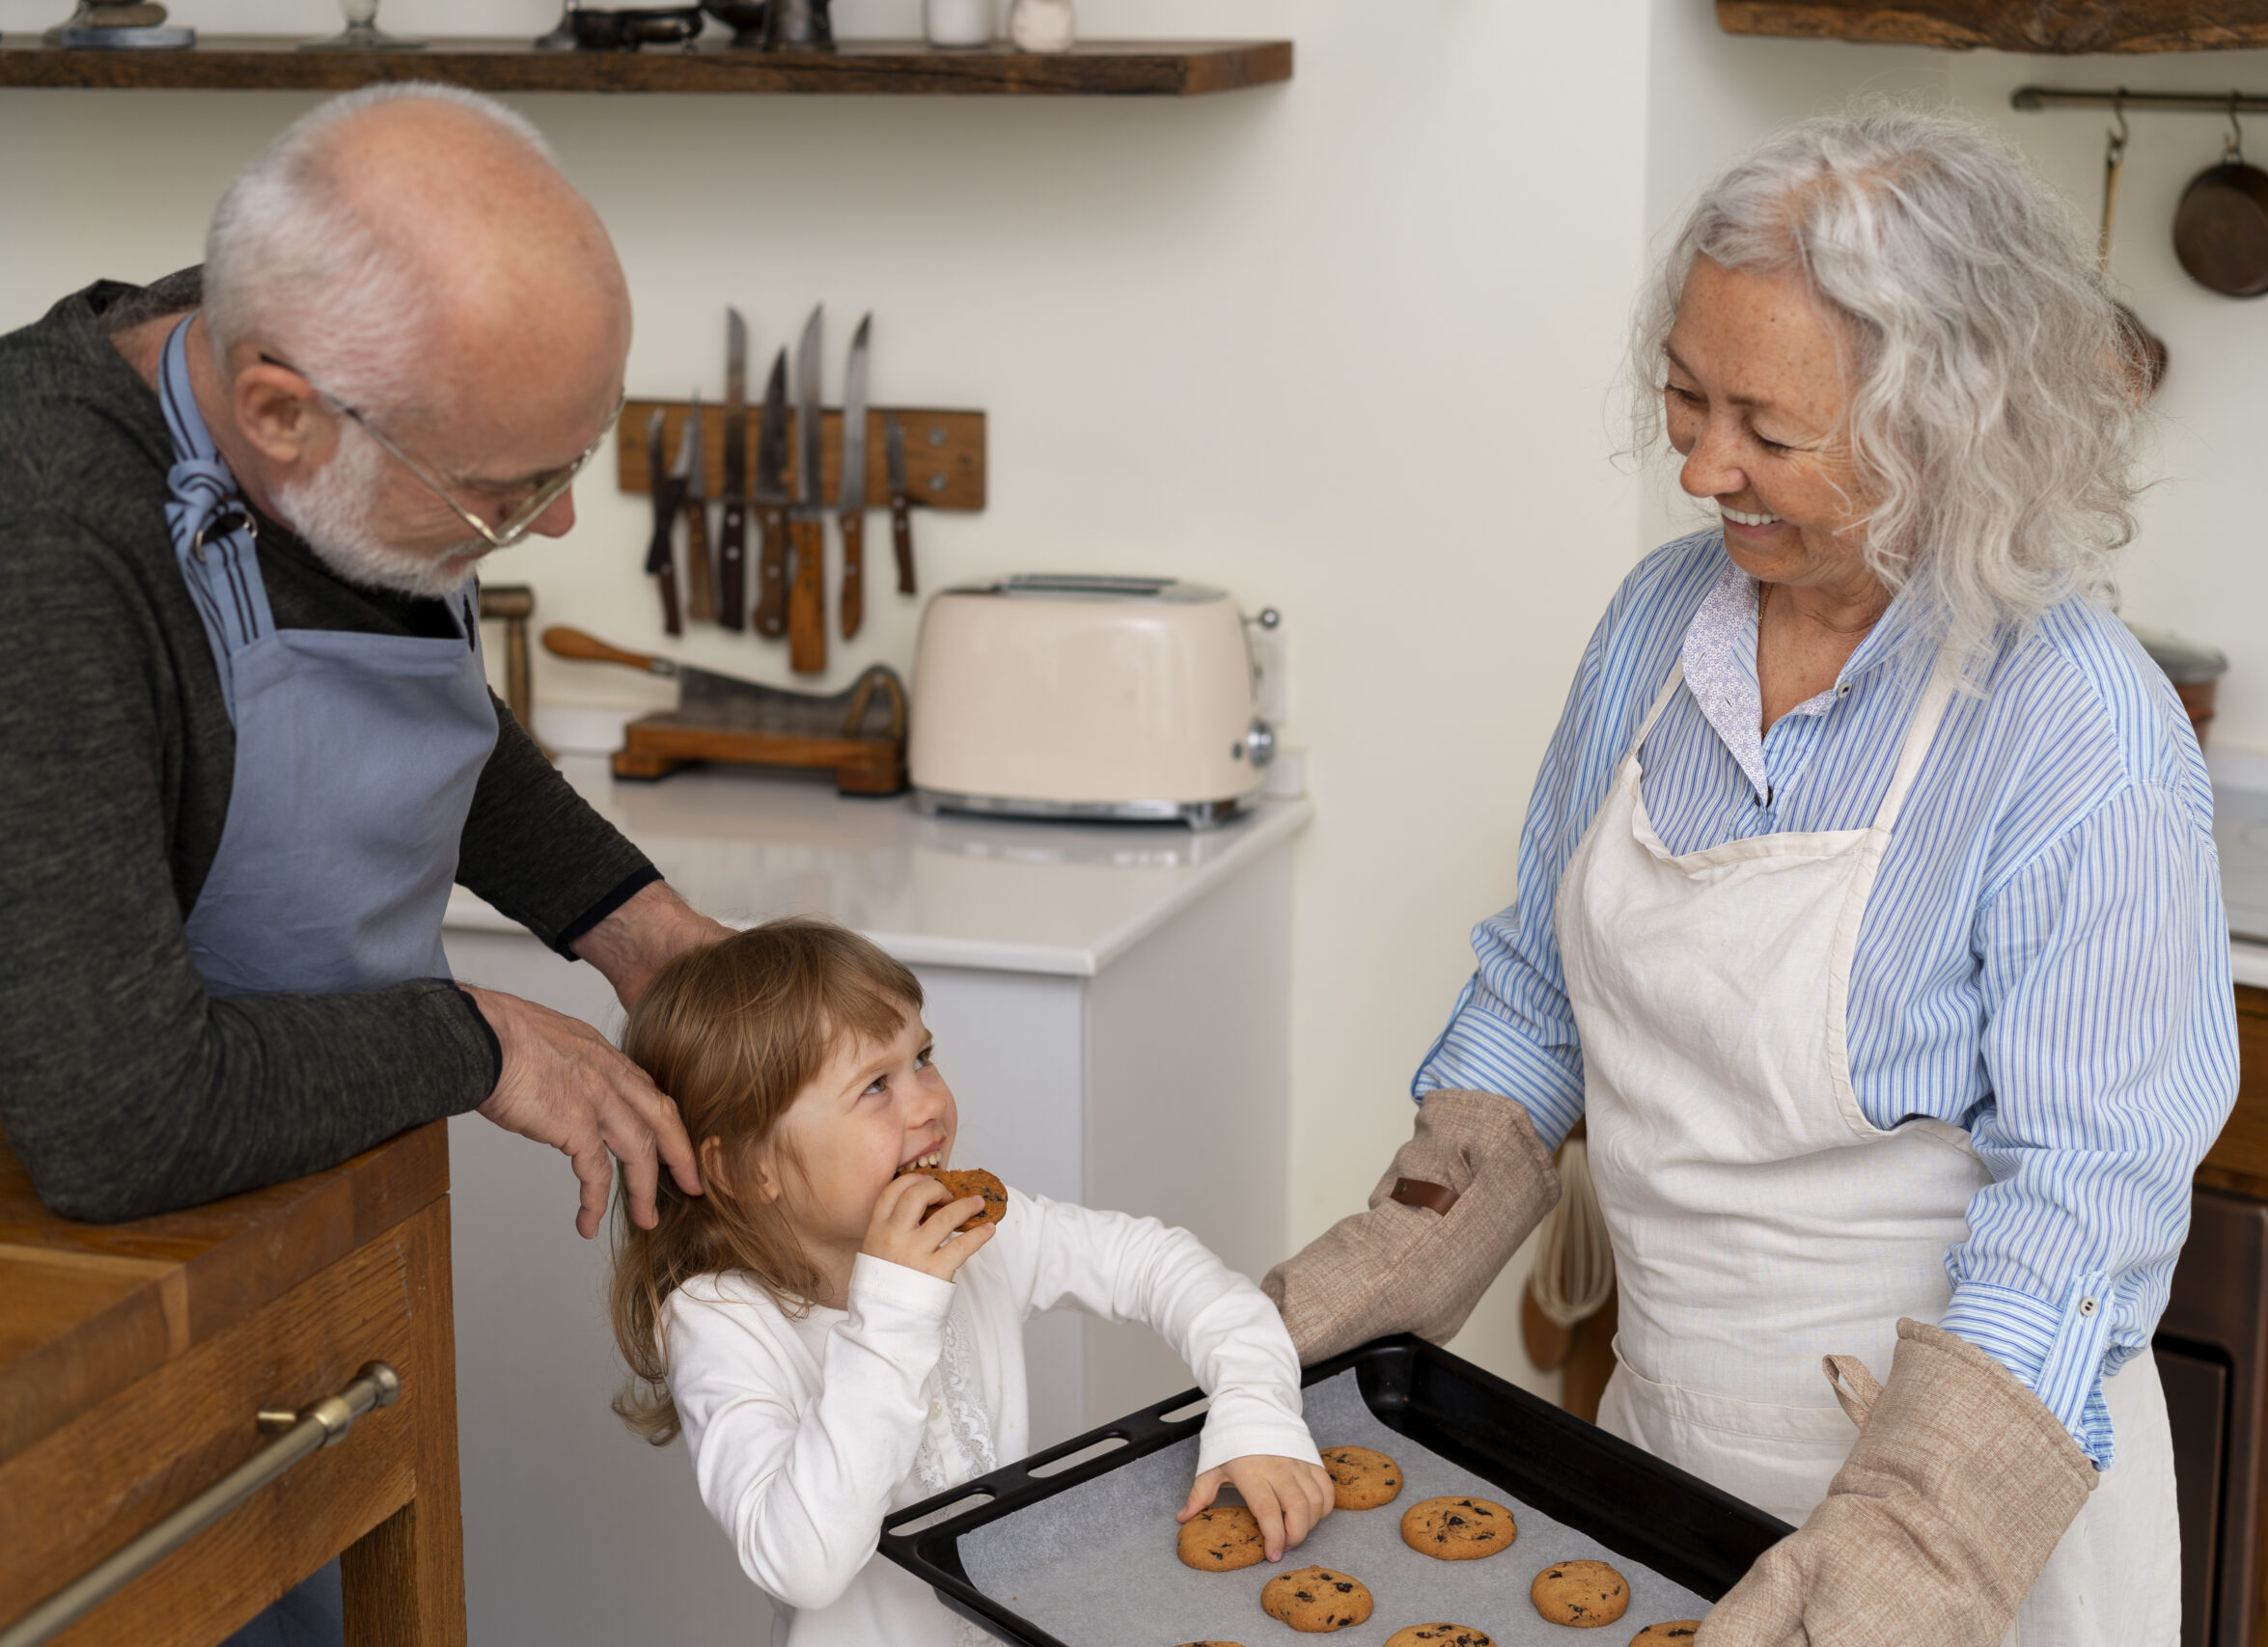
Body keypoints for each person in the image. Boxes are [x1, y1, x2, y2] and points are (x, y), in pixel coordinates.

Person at [1266, 106, 2237, 1646]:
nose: (1708, 466)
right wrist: (1367, 1273)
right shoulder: (1660, 624)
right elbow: (1536, 999)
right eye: (1684, 400)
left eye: (1769, 432)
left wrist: (1904, 1562)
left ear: (1944, 421)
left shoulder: (2078, 723)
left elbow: (2085, 1204)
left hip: (1957, 1521)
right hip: (1669, 1451)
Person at [0, 84, 729, 1645]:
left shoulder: (324, 429)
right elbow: (120, 1115)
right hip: (71, 1299)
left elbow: (399, 708)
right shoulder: (45, 548)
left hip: (284, 1231)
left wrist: (635, 926)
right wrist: (471, 1039)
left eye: (569, 464)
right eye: (507, 492)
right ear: (279, 412)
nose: (542, 525)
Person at [611, 919, 1333, 1646]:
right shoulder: (720, 1320)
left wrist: (1255, 1406)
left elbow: (1157, 1261)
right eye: (875, 1086)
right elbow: (804, 1564)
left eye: (922, 1056)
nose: (927, 1102)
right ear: (746, 1166)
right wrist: (895, 1306)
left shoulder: (974, 1233)